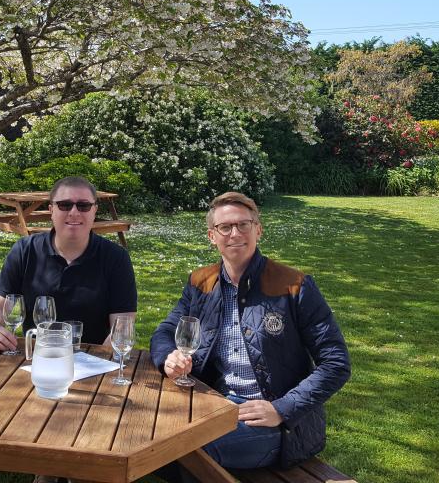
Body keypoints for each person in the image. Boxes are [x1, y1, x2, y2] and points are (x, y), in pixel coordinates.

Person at [150, 192, 351, 476]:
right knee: (149, 435)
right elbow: (166, 330)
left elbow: (336, 363)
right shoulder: (200, 282)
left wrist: (281, 409)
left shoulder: (294, 285)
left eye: (244, 225)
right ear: (212, 236)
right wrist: (167, 358)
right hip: (213, 404)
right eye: (225, 227)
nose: (235, 233)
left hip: (277, 425)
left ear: (258, 230)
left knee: (187, 450)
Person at [0, 176, 137, 352]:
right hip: (35, 358)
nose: (74, 212)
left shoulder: (116, 258)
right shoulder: (25, 250)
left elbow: (122, 325)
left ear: (94, 211)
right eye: (65, 205)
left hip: (92, 362)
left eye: (83, 206)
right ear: (51, 210)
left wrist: (97, 362)